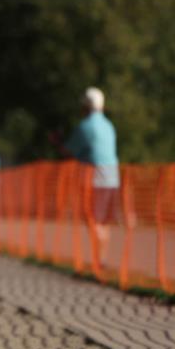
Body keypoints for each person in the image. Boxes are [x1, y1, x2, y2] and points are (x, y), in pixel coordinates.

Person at [60, 87, 120, 259]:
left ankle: (99, 260)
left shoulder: (85, 126)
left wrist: (59, 142)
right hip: (113, 178)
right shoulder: (109, 126)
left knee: (92, 218)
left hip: (95, 179)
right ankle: (101, 260)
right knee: (104, 221)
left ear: (86, 107)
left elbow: (68, 151)